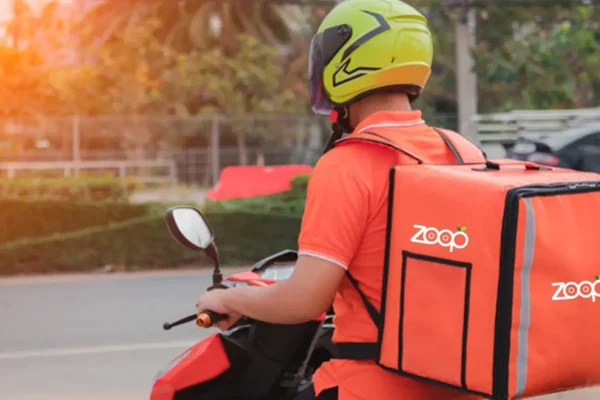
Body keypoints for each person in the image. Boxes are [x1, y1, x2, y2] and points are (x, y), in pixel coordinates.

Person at [196, 0, 482, 399]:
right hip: (460, 382)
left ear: (346, 62)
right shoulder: (462, 151)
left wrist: (231, 299)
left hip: (370, 386)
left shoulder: (349, 163)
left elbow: (304, 300)